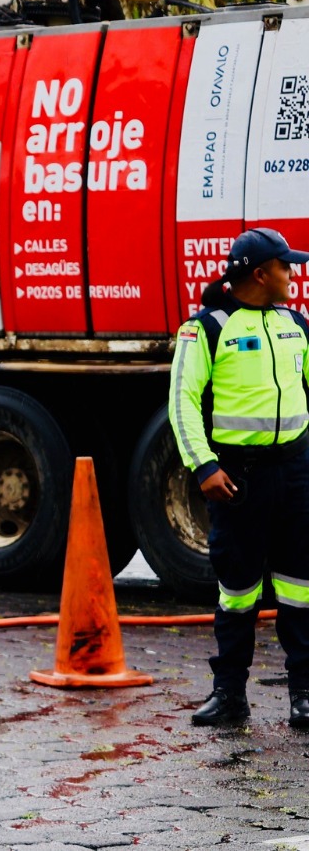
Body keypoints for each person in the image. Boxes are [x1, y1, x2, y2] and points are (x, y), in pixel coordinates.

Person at [172, 227, 309, 728]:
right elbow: (182, 401)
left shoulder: (295, 323)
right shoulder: (205, 329)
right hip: (239, 479)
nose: (292, 274)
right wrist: (204, 466)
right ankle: (229, 695)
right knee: (238, 590)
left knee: (301, 587)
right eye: (285, 266)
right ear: (260, 274)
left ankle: (305, 695)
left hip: (296, 473)